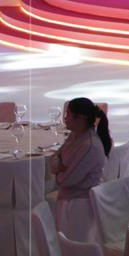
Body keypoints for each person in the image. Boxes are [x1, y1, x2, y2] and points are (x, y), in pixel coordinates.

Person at [51, 97, 112, 242]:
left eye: (68, 115)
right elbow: (56, 155)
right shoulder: (75, 136)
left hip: (80, 206)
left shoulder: (89, 146)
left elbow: (65, 181)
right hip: (68, 201)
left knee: (75, 247)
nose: (65, 118)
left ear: (80, 119)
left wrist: (58, 171)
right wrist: (58, 166)